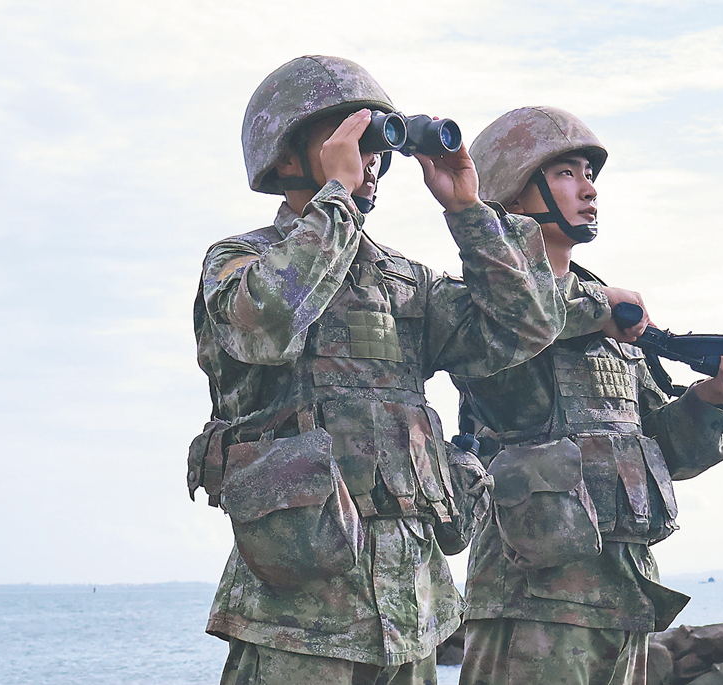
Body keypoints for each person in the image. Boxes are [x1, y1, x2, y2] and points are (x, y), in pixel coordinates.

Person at [186, 58, 565, 685]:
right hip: (299, 614)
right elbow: (268, 322)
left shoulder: (405, 284)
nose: (371, 158)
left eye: (377, 143)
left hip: (412, 606)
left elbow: (524, 329)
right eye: (348, 138)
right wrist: (334, 200)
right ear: (285, 159)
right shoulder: (241, 258)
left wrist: (468, 212)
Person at [453, 106, 723, 685]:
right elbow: (514, 326)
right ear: (514, 191)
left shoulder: (615, 319)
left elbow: (659, 451)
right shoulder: (483, 307)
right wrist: (599, 311)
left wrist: (709, 402)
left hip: (622, 596)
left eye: (589, 174)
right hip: (532, 603)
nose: (590, 189)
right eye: (567, 172)